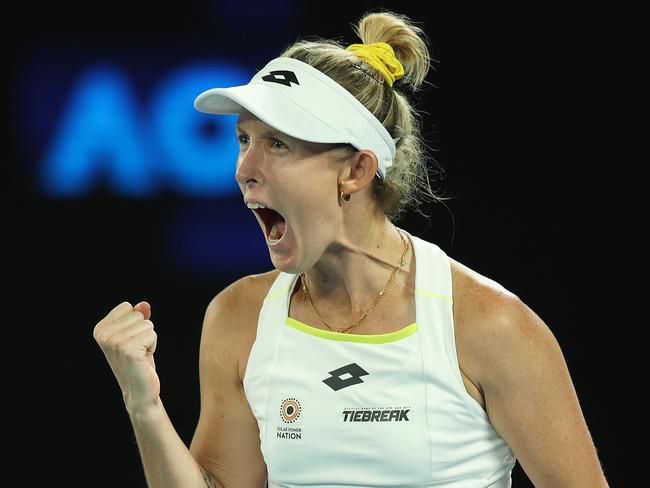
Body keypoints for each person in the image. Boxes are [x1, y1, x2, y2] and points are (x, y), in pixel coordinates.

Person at [93, 9, 609, 488]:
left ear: (357, 171)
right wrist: (145, 405)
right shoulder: (238, 318)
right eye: (243, 140)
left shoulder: (490, 325)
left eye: (278, 145)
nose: (244, 170)